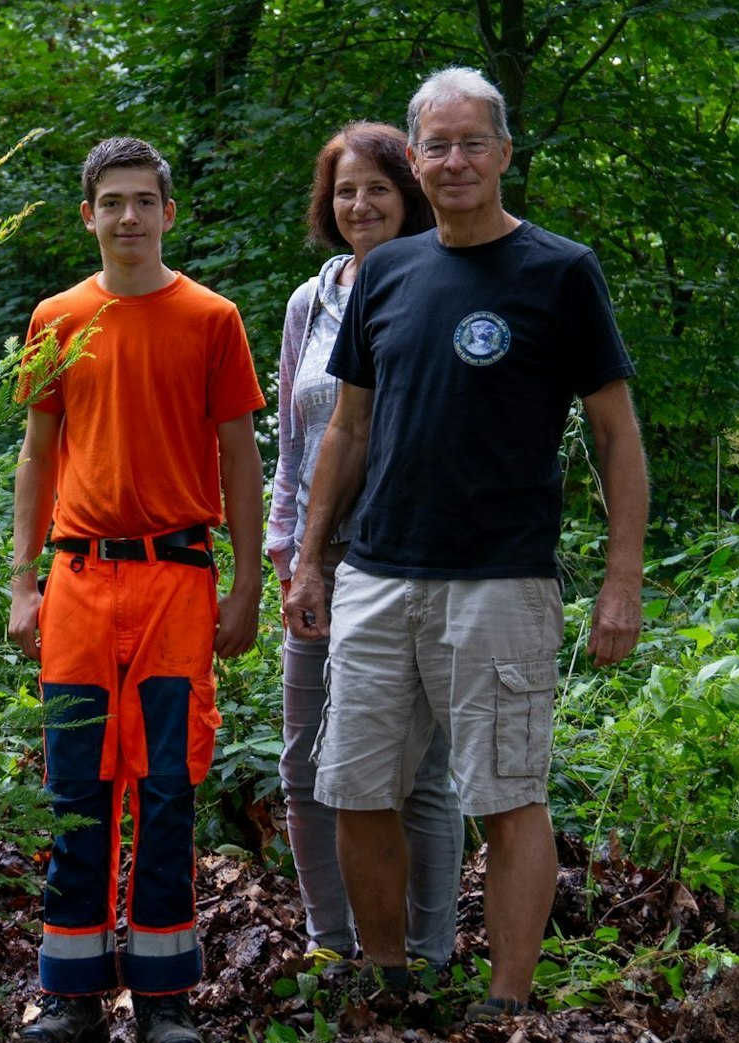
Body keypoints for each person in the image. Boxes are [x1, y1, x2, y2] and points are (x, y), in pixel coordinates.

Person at [283, 68, 648, 1023]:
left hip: (500, 580)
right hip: (376, 575)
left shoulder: (558, 271)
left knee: (505, 795)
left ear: (503, 154)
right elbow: (347, 429)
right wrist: (311, 559)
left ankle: (505, 1001)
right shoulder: (387, 273)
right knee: (355, 787)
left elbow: (615, 432)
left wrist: (621, 580)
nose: (453, 161)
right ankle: (390, 980)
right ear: (414, 158)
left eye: (471, 143)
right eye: (436, 145)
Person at [8, 136, 265, 1043]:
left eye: (143, 201)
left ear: (167, 213)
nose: (127, 217)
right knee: (76, 788)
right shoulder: (56, 317)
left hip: (175, 581)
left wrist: (248, 583)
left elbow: (239, 456)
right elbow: (37, 453)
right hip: (78, 581)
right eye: (111, 202)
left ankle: (164, 996)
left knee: (166, 787)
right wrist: (22, 579)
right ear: (88, 215)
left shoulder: (211, 318)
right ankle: (69, 995)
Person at [265, 122, 463, 979]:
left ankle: (426, 954)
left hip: (416, 556)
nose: (359, 205)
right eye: (344, 190)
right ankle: (331, 942)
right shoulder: (309, 304)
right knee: (305, 762)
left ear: (409, 196)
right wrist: (286, 551)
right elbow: (293, 442)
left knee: (417, 773)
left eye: (377, 188)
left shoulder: (444, 283)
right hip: (321, 558)